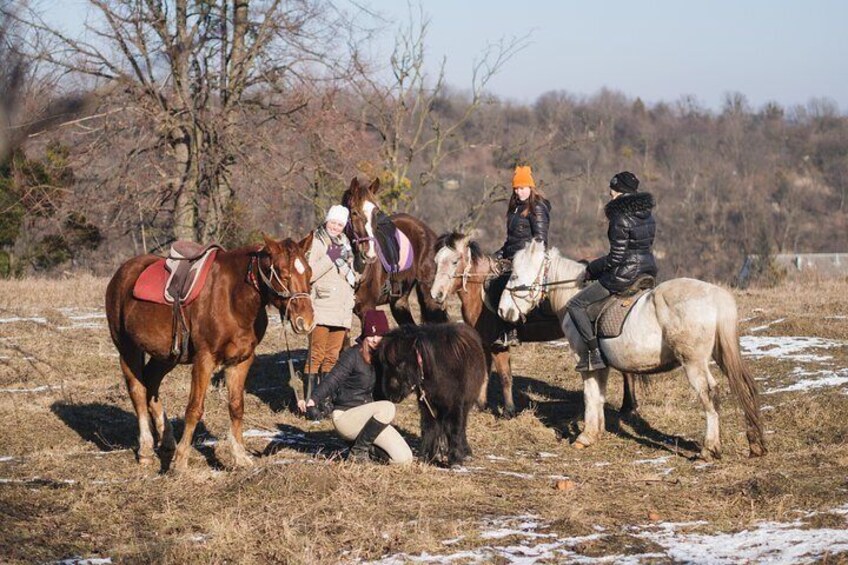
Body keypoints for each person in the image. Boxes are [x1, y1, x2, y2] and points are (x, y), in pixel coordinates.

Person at [566, 171, 657, 371]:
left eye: (613, 189)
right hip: (648, 269)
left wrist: (591, 269)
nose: (610, 193)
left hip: (625, 274)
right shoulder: (648, 214)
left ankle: (594, 353)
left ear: (620, 191)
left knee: (575, 304)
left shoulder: (619, 216)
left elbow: (616, 258)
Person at [298, 309, 414, 464]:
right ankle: (358, 452)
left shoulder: (382, 360)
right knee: (388, 408)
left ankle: (362, 447)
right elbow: (333, 379)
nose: (374, 340)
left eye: (379, 335)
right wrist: (312, 399)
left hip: (369, 419)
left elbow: (393, 392)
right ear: (364, 335)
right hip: (346, 416)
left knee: (404, 458)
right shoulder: (353, 355)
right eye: (370, 335)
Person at [304, 205, 357, 408]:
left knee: (332, 358)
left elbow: (350, 276)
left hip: (342, 309)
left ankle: (324, 401)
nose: (336, 227)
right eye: (333, 222)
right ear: (327, 221)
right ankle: (309, 402)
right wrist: (330, 257)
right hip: (322, 305)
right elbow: (309, 274)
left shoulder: (347, 244)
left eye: (340, 224)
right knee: (316, 354)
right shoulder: (317, 241)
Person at [492, 164, 551, 347]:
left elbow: (540, 241)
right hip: (511, 257)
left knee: (502, 285)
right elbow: (512, 240)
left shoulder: (537, 207)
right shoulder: (516, 208)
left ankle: (511, 331)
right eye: (516, 188)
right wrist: (497, 255)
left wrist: (522, 260)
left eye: (522, 187)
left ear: (531, 187)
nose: (519, 192)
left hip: (526, 261)